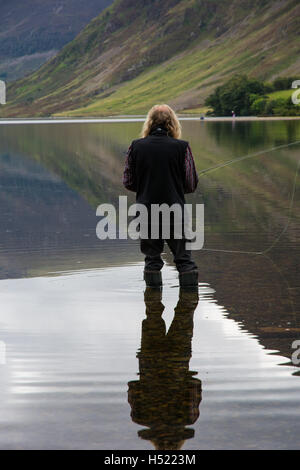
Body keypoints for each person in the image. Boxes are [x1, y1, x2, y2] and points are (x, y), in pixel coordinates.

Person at [123, 104, 199, 287]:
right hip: (175, 211)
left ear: (149, 123)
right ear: (173, 123)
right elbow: (190, 183)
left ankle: (153, 310)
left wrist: (146, 187)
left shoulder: (136, 146)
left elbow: (128, 181)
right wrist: (176, 187)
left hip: (146, 211)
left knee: (152, 260)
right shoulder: (182, 147)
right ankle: (187, 310)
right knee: (184, 261)